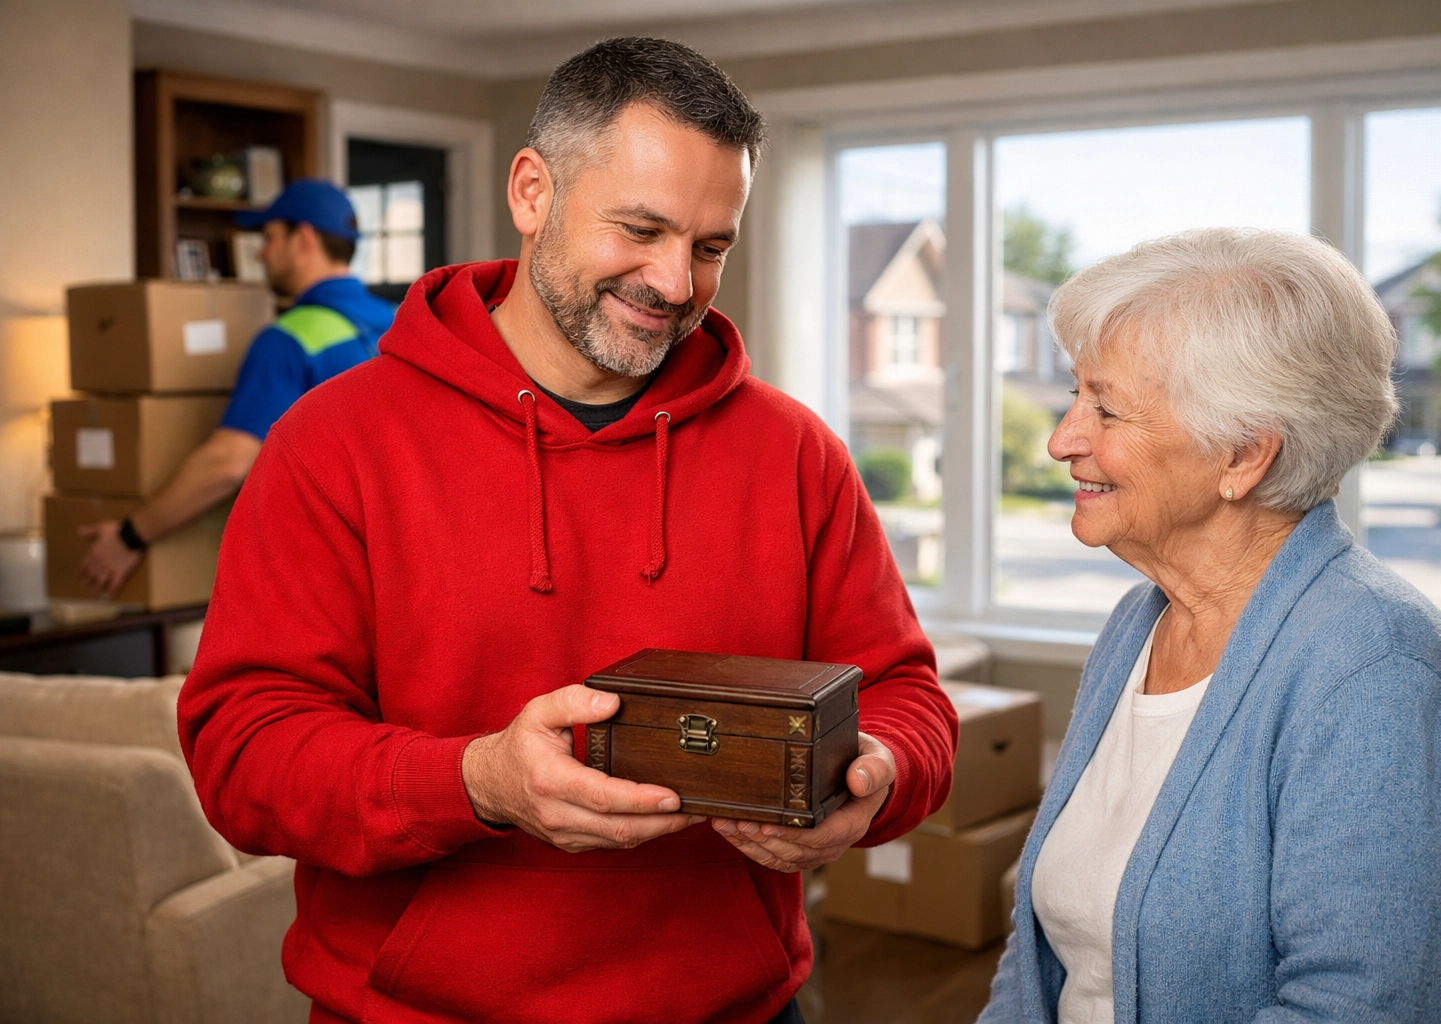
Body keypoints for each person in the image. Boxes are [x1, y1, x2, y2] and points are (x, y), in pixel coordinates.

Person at [177, 38, 957, 1024]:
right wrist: (475, 782)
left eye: (711, 246)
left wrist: (874, 780)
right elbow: (244, 755)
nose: (676, 282)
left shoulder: (797, 453)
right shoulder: (333, 444)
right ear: (533, 191)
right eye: (641, 228)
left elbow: (907, 698)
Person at [979, 227, 1441, 1023]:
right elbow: (1039, 962)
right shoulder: (1140, 622)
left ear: (1242, 455)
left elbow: (1358, 1010)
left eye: (1106, 408)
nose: (1063, 440)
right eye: (1073, 396)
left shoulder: (1378, 669)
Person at [78, 178, 395, 598]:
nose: (261, 253)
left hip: (326, 580)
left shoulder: (288, 339)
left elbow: (226, 464)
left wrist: (129, 537)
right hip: (402, 567)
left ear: (303, 239)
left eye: (268, 237)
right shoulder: (402, 320)